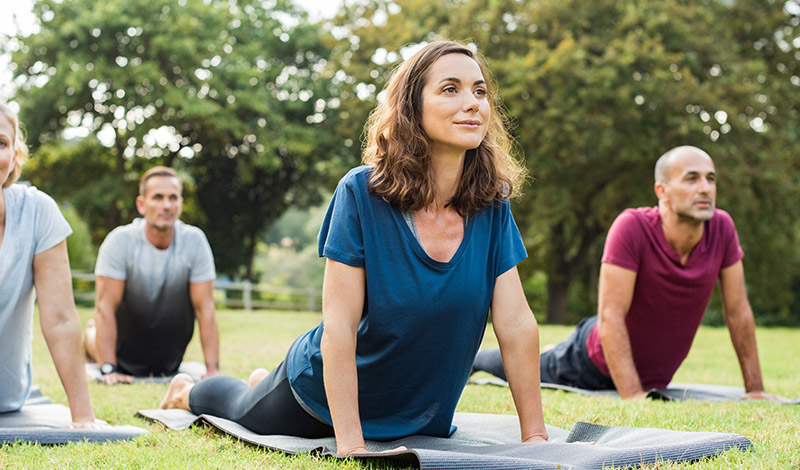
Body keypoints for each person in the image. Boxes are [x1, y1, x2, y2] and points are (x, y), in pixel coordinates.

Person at [160, 40, 548, 455]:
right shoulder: (362, 193)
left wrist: (536, 438)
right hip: (319, 401)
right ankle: (186, 391)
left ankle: (260, 379)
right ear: (411, 107)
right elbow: (339, 326)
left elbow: (516, 324)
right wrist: (351, 444)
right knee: (238, 406)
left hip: (417, 412)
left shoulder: (491, 205)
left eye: (480, 91)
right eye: (450, 89)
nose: (472, 103)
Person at [473, 146, 776, 400]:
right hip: (589, 362)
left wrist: (755, 390)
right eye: (692, 179)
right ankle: (475, 360)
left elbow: (738, 312)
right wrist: (634, 396)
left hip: (651, 374)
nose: (705, 188)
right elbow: (611, 317)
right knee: (526, 365)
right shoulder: (632, 227)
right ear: (662, 190)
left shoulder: (722, 228)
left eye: (711, 179)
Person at [0, 102, 100, 427]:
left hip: (5, 396)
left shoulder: (37, 212)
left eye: (0, 143)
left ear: (15, 155)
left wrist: (83, 417)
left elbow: (59, 319)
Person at [84, 166, 220, 384]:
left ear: (180, 204)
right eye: (157, 197)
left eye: (172, 198)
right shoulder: (119, 241)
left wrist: (212, 369)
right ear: (141, 204)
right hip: (121, 351)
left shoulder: (195, 241)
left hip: (167, 359)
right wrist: (108, 368)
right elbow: (105, 306)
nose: (166, 205)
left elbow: (205, 308)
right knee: (94, 333)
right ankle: (91, 336)